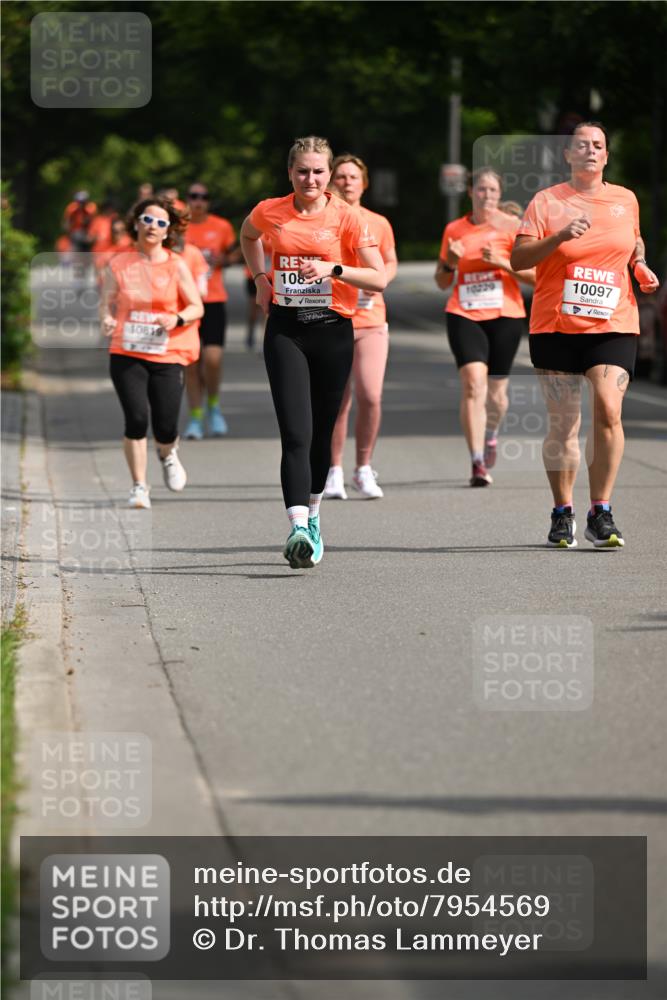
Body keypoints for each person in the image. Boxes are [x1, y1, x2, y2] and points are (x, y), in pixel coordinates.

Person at [511, 122, 660, 548]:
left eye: (598, 145)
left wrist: (640, 264)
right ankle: (562, 513)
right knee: (564, 425)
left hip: (613, 322)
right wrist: (559, 236)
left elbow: (634, 241)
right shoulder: (546, 201)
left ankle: (601, 510)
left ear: (607, 156)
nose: (591, 151)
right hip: (556, 324)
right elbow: (519, 257)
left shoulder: (624, 199)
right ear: (568, 155)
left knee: (609, 411)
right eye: (582, 145)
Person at [240, 135, 386, 568]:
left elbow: (378, 279)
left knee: (322, 433)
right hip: (286, 331)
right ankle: (297, 525)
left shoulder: (346, 217)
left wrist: (333, 268)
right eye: (302, 171)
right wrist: (261, 278)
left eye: (318, 171)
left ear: (328, 176)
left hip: (332, 331)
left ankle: (316, 516)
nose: (311, 178)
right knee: (296, 432)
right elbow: (249, 236)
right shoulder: (270, 210)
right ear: (290, 173)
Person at [100, 198, 204, 508]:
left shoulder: (176, 264)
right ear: (136, 222)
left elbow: (196, 306)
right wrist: (105, 318)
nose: (152, 226)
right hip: (126, 350)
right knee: (136, 418)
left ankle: (167, 452)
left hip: (167, 352)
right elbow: (106, 301)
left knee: (166, 424)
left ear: (168, 231)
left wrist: (176, 318)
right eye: (147, 219)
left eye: (161, 222)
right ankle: (139, 486)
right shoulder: (119, 263)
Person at [435, 169, 535, 485]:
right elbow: (441, 281)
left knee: (496, 394)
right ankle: (477, 461)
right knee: (473, 384)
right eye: (481, 189)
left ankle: (491, 433)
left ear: (499, 194)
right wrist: (450, 262)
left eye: (493, 190)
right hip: (464, 313)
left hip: (505, 314)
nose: (487, 195)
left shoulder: (513, 228)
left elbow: (535, 276)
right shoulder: (455, 228)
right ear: (470, 192)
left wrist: (502, 263)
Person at [323, 154, 398, 500]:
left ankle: (363, 467)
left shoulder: (378, 222)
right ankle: (333, 470)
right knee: (338, 400)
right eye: (340, 177)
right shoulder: (322, 221)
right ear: (330, 182)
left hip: (370, 320)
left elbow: (390, 261)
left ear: (364, 183)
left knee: (371, 395)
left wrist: (379, 280)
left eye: (353, 177)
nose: (346, 182)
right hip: (333, 317)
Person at [183, 183, 237, 438]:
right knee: (192, 363)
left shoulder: (221, 226)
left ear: (208, 201)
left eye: (203, 197)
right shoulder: (179, 227)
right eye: (193, 197)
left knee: (212, 360)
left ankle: (213, 407)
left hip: (214, 300)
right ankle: (195, 417)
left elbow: (237, 252)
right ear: (187, 200)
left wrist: (224, 261)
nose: (198, 201)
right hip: (185, 302)